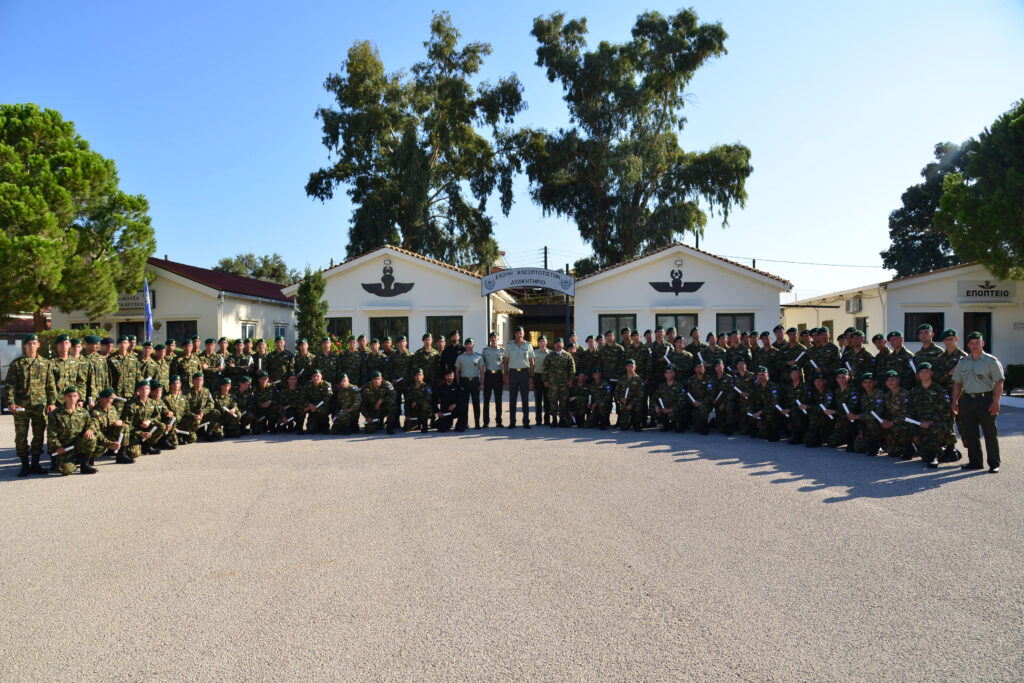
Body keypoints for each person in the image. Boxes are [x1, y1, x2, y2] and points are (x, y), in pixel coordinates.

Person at [4, 333, 56, 476]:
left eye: (34, 343)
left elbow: (50, 386)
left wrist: (51, 403)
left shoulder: (46, 363)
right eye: (29, 343)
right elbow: (9, 386)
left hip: (40, 406)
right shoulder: (17, 364)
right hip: (21, 406)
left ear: (38, 345)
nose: (32, 346)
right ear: (25, 345)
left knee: (38, 435)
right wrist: (11, 403)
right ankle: (24, 465)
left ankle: (35, 464)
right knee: (21, 436)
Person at [952, 331, 1004, 473]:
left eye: (977, 343)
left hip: (986, 399)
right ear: (968, 345)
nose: (974, 346)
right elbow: (957, 384)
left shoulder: (991, 361)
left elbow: (999, 382)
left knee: (990, 432)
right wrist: (955, 401)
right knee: (970, 433)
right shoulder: (963, 362)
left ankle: (994, 463)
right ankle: (975, 462)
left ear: (983, 343)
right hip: (968, 400)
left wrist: (996, 401)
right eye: (972, 343)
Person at [46, 387, 98, 475]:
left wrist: (90, 429)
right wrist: (58, 447)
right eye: (69, 396)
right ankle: (61, 460)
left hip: (78, 444)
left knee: (91, 438)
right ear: (64, 397)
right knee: (67, 471)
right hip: (64, 447)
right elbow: (51, 434)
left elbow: (91, 423)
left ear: (78, 397)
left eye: (74, 396)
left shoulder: (83, 412)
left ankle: (85, 464)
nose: (72, 398)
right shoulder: (56, 414)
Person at [504, 326, 534, 428]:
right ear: (515, 335)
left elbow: (532, 362)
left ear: (523, 334)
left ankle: (526, 422)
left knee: (525, 398)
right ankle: (512, 422)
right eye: (517, 333)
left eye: (521, 333)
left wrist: (531, 376)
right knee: (512, 398)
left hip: (524, 373)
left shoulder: (528, 345)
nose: (519, 335)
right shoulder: (509, 345)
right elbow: (506, 362)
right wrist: (506, 375)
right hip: (513, 373)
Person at [543, 337, 575, 427]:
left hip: (564, 383)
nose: (559, 345)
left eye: (560, 343)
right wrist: (545, 380)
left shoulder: (568, 356)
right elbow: (545, 368)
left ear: (563, 345)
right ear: (554, 345)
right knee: (553, 401)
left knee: (563, 401)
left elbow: (572, 369)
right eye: (557, 344)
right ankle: (553, 419)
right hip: (553, 383)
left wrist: (571, 380)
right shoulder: (549, 356)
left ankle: (562, 419)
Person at [454, 337, 484, 428]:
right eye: (467, 344)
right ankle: (465, 423)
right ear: (465, 345)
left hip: (475, 381)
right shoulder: (460, 357)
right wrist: (458, 384)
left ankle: (477, 423)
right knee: (464, 404)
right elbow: (457, 371)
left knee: (476, 403)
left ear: (473, 345)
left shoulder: (478, 356)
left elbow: (482, 371)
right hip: (464, 382)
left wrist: (482, 383)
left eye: (471, 344)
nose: (469, 346)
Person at [480, 332, 505, 427]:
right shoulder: (485, 351)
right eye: (492, 337)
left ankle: (499, 421)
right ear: (490, 339)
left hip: (498, 375)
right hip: (489, 375)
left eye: (495, 337)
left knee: (498, 400)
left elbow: (504, 364)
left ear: (498, 339)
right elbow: (482, 365)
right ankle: (486, 422)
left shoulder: (502, 351)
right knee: (486, 401)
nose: (493, 339)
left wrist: (505, 377)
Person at [361, 370, 396, 435]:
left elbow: (393, 395)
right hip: (373, 410)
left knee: (393, 405)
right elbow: (363, 405)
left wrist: (381, 400)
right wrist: (367, 417)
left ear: (381, 379)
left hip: (384, 408)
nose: (377, 381)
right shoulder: (367, 387)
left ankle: (389, 425)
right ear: (372, 380)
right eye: (375, 379)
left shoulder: (386, 384)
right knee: (369, 430)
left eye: (378, 379)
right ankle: (378, 423)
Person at [435, 368, 468, 432]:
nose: (449, 377)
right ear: (445, 377)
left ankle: (460, 425)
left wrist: (455, 404)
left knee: (463, 406)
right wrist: (438, 411)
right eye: (448, 376)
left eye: (451, 376)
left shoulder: (457, 387)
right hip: (445, 412)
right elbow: (434, 401)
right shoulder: (441, 388)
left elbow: (463, 398)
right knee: (441, 429)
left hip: (455, 410)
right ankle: (445, 423)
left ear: (453, 377)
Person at [402, 369, 434, 433]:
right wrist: (407, 415)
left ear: (423, 376)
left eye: (420, 375)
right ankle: (418, 423)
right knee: (407, 428)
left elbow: (428, 398)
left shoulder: (427, 387)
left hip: (426, 411)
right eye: (416, 375)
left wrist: (417, 402)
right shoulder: (410, 388)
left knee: (425, 404)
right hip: (415, 411)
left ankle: (424, 424)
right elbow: (407, 403)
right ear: (414, 377)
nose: (418, 376)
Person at [533, 335, 550, 425]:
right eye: (541, 341)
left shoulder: (550, 353)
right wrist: (531, 379)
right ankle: (538, 420)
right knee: (538, 400)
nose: (542, 342)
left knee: (547, 400)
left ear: (546, 342)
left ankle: (547, 420)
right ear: (538, 342)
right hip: (537, 377)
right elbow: (531, 366)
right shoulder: (534, 353)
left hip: (547, 378)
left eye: (544, 341)